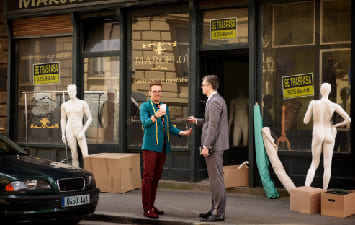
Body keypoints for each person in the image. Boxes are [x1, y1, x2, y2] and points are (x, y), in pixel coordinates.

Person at [140, 80, 192, 219]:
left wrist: (182, 133)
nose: (157, 93)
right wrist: (155, 116)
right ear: (150, 93)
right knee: (148, 178)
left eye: (159, 91)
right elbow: (145, 123)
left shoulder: (164, 107)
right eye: (154, 91)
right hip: (150, 147)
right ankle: (147, 208)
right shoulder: (145, 106)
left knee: (156, 178)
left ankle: (151, 204)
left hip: (162, 147)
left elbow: (168, 127)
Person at [187, 75, 229, 222]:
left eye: (203, 85)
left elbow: (213, 127)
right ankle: (214, 209)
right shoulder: (214, 100)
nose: (202, 87)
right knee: (215, 180)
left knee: (216, 180)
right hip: (215, 145)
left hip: (214, 146)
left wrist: (206, 146)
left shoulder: (215, 102)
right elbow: (210, 121)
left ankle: (218, 213)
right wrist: (197, 121)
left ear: (210, 86)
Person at [304, 83, 351, 190]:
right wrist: (335, 125)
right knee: (327, 165)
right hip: (329, 133)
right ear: (329, 92)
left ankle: (306, 189)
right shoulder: (334, 105)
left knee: (314, 162)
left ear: (321, 91)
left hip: (318, 132)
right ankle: (324, 190)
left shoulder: (313, 103)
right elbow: (348, 119)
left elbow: (305, 121)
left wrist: (309, 116)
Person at [61, 84, 92, 168]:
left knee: (85, 154)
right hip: (69, 129)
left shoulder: (82, 103)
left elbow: (90, 118)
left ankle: (88, 174)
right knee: (74, 154)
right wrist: (63, 134)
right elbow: (63, 119)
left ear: (76, 91)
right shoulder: (65, 105)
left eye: (73, 91)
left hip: (79, 128)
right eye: (69, 91)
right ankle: (76, 174)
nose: (71, 93)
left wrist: (83, 131)